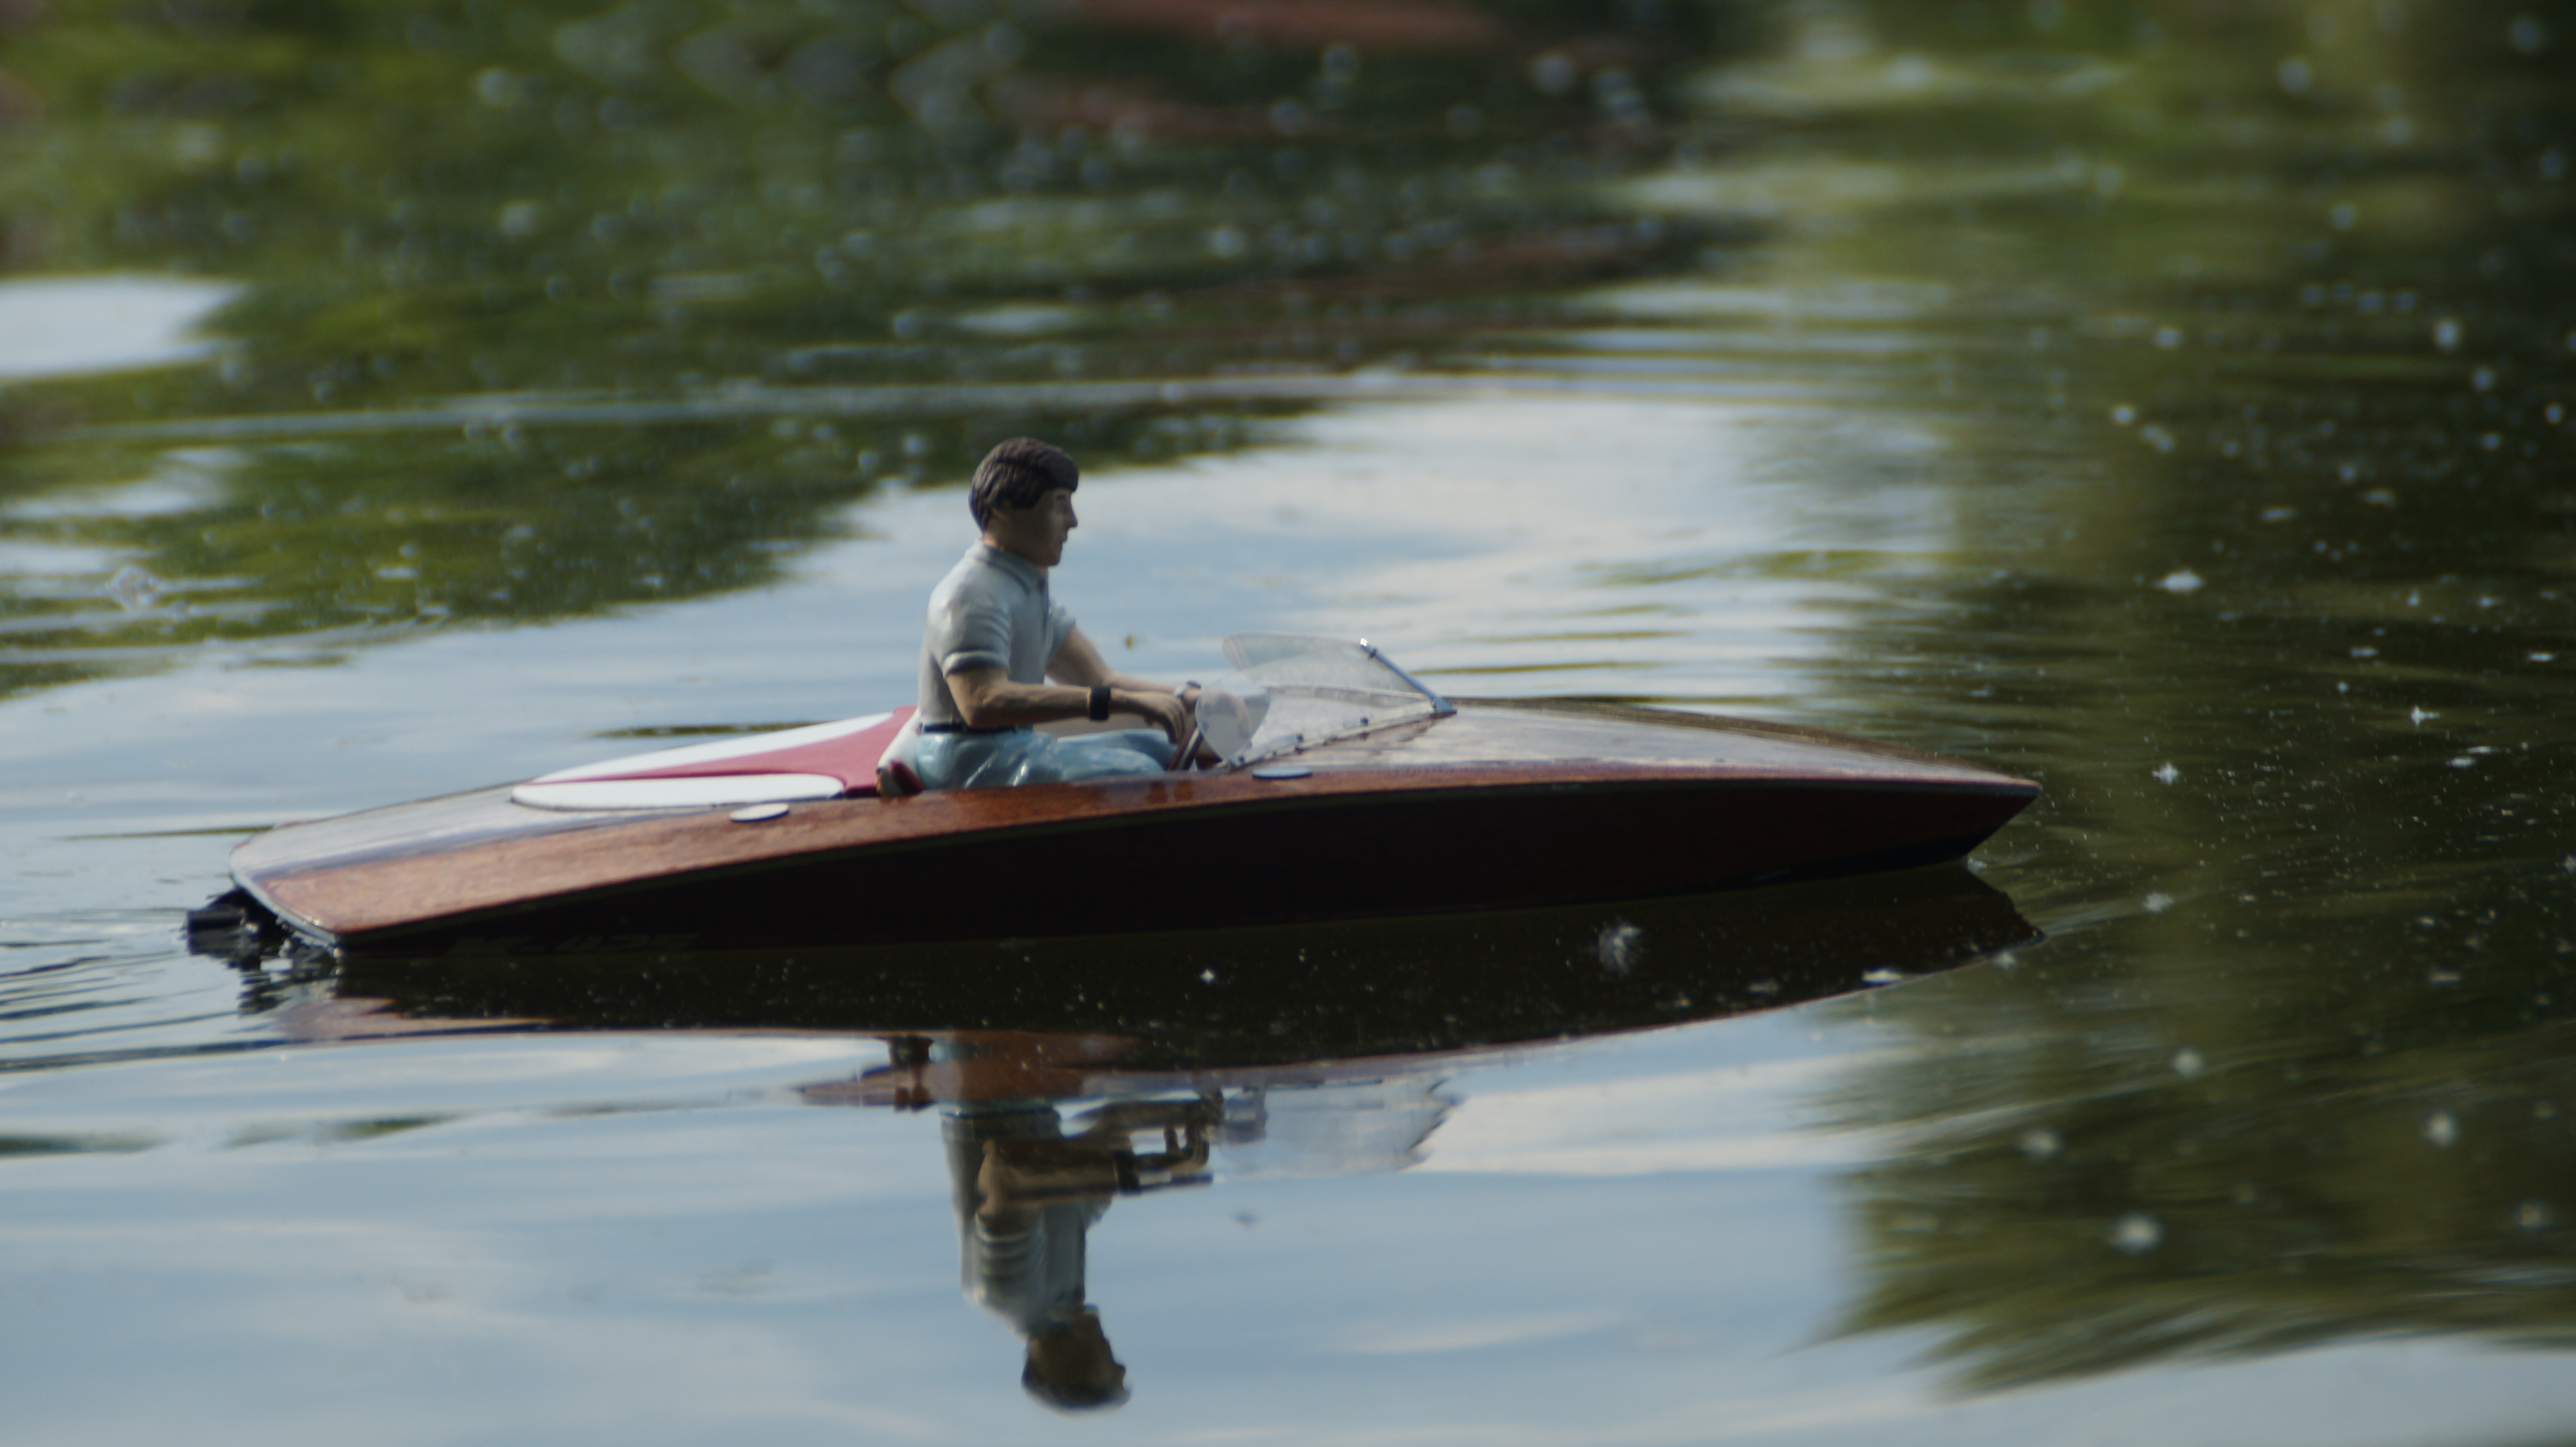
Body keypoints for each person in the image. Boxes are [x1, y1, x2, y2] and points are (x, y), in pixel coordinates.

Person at [902, 438, 1200, 792]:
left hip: (1017, 743)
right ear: (1005, 509)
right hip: (969, 758)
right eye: (1059, 506)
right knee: (1140, 773)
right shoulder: (970, 596)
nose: (1073, 521)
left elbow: (1096, 677)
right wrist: (1121, 703)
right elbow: (981, 703)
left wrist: (1185, 695)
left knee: (1162, 749)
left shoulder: (1026, 588)